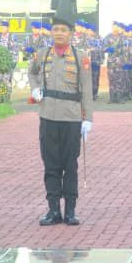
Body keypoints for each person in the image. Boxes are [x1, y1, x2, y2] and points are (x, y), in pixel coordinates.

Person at [28, 19, 93, 226]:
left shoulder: (80, 57)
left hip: (71, 118)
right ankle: (53, 209)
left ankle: (71, 210)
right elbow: (32, 72)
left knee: (70, 165)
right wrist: (34, 88)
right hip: (48, 117)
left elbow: (86, 88)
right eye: (55, 29)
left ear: (71, 33)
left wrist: (88, 118)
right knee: (51, 165)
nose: (59, 33)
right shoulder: (43, 54)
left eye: (63, 30)